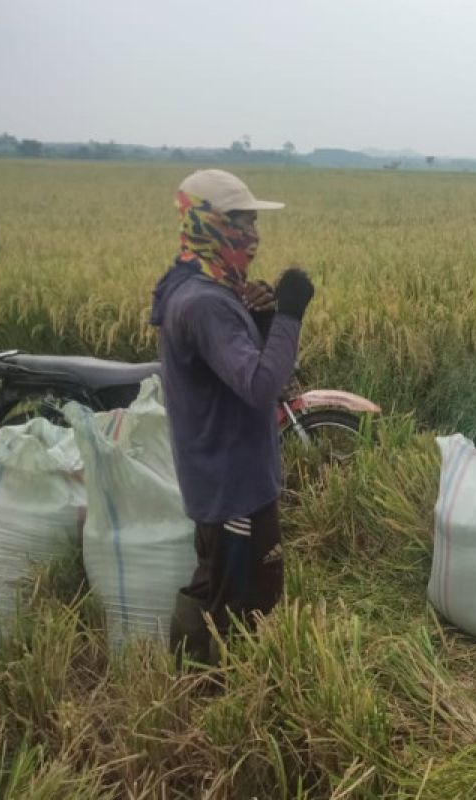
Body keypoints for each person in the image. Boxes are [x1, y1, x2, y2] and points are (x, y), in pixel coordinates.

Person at [151, 169, 316, 664]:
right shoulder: (205, 303)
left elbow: (251, 371)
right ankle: (217, 696)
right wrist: (289, 314)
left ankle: (192, 684)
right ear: (209, 225)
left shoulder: (204, 288)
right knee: (247, 605)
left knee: (215, 589)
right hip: (233, 487)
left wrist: (264, 321)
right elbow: (263, 387)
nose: (254, 235)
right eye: (242, 222)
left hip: (223, 481)